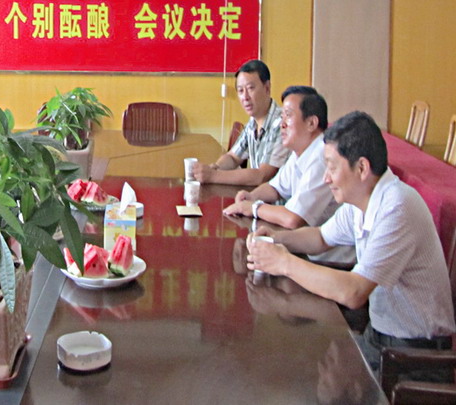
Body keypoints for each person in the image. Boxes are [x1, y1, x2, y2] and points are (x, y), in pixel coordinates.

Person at [248, 111, 456, 374]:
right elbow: (320, 237)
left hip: (416, 357)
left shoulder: (397, 206)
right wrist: (275, 239)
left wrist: (283, 263)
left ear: (361, 168)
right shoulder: (362, 198)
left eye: (332, 167)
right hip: (380, 337)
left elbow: (354, 292)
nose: (326, 178)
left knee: (314, 375)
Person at [223, 86, 353, 264]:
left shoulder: (321, 156)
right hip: (306, 248)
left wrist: (252, 207)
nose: (282, 124)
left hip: (332, 261)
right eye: (282, 116)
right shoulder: (301, 151)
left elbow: (294, 218)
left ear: (311, 123)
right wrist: (251, 196)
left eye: (288, 116)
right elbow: (275, 187)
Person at [193, 59, 289, 185]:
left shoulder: (281, 124)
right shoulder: (253, 122)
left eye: (250, 88)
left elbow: (262, 176)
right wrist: (215, 167)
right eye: (240, 90)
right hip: (259, 194)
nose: (245, 97)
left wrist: (213, 176)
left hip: (277, 197)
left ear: (267, 88)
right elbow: (233, 157)